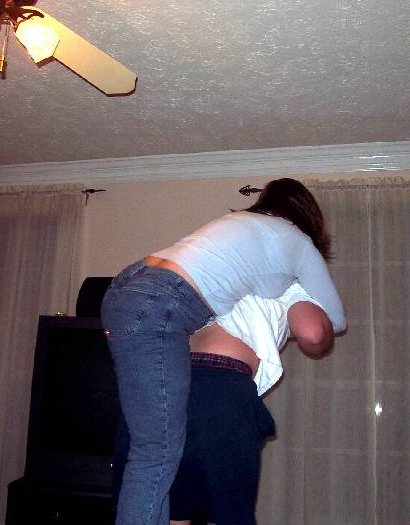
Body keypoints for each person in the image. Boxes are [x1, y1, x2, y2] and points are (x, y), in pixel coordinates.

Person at [100, 178, 346, 525]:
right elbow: (314, 331)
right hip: (219, 392)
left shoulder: (229, 244)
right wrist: (322, 329)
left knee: (163, 494)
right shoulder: (294, 276)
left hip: (166, 368)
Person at [169, 283, 333, 525]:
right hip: (219, 387)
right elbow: (313, 333)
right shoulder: (291, 284)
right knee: (227, 512)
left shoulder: (216, 274)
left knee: (169, 508)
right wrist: (328, 328)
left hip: (166, 380)